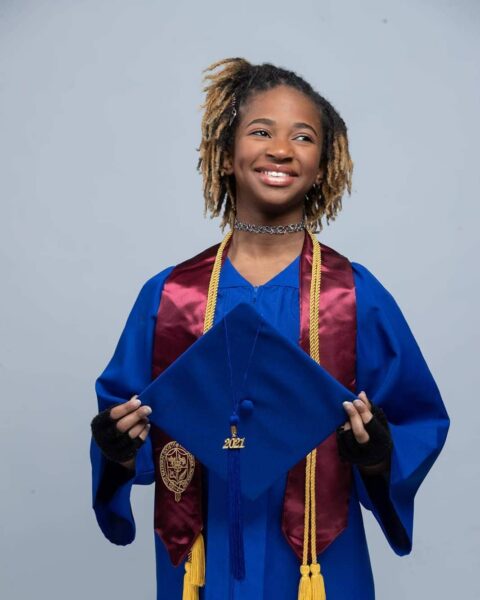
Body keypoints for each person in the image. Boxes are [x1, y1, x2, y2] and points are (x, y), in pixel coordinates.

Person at [89, 57, 449, 600]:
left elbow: (417, 418)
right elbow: (127, 417)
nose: (281, 149)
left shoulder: (352, 296)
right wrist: (117, 448)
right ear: (225, 154)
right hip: (203, 555)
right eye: (260, 132)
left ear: (323, 165)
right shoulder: (171, 297)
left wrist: (379, 453)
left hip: (316, 561)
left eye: (303, 137)